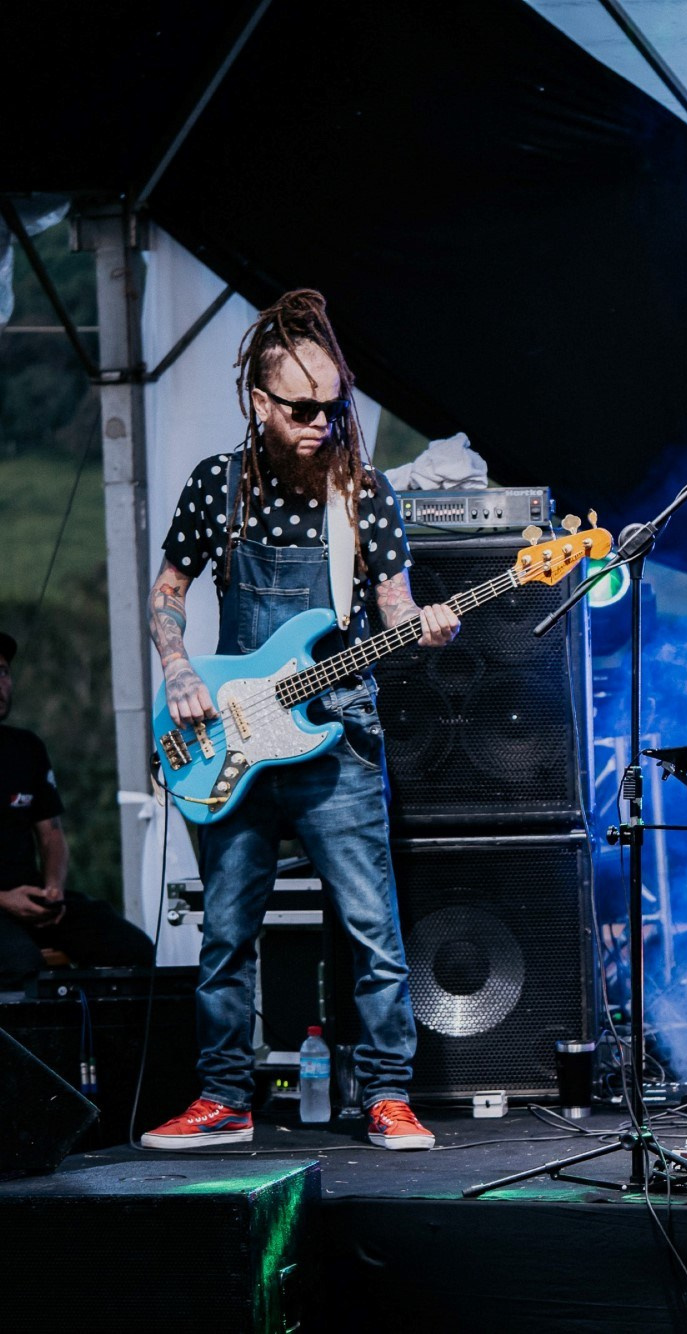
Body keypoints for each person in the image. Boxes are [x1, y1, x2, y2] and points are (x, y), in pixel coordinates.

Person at [140, 291, 460, 1151]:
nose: (322, 422)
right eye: (302, 408)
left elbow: (393, 609)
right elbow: (167, 593)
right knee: (225, 932)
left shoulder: (365, 494)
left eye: (334, 406)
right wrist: (178, 670)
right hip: (233, 738)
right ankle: (221, 1098)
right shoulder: (218, 485)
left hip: (337, 737)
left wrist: (425, 628)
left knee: (372, 929)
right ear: (259, 402)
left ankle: (389, 1094)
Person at [0, 630, 153, 989]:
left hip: (34, 900)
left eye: (3, 672)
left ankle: (100, 1044)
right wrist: (5, 900)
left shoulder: (26, 748)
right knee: (23, 966)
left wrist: (53, 889)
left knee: (132, 949)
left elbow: (51, 834)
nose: (0, 683)